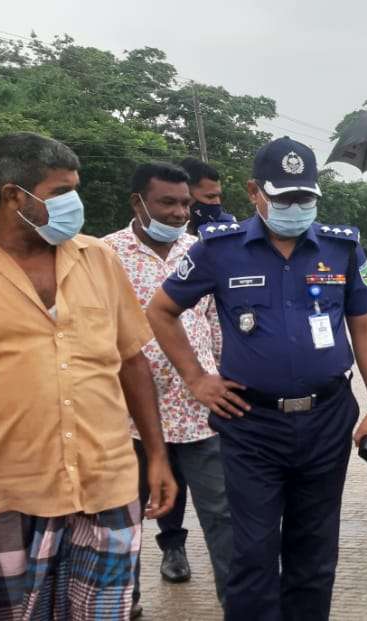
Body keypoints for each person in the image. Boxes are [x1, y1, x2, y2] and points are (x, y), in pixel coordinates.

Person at [146, 137, 367, 621]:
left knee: (315, 551)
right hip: (251, 424)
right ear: (255, 192)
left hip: (326, 418)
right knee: (253, 553)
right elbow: (161, 311)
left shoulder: (342, 247)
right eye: (284, 198)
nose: (295, 207)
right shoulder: (219, 249)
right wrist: (197, 379)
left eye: (305, 197)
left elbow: (365, 326)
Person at [0, 132, 177, 620]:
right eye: (60, 192)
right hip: (2, 488)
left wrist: (156, 456)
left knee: (105, 613)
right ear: (14, 196)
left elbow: (132, 361)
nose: (75, 203)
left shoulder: (99, 259)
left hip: (105, 481)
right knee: (4, 614)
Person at [103, 162, 234, 613]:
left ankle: (238, 604)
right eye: (168, 203)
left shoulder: (202, 252)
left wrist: (220, 379)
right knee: (125, 516)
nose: (180, 212)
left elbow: (217, 324)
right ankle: (125, 602)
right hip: (127, 418)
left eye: (185, 203)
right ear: (137, 202)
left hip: (200, 412)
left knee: (223, 514)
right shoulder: (104, 255)